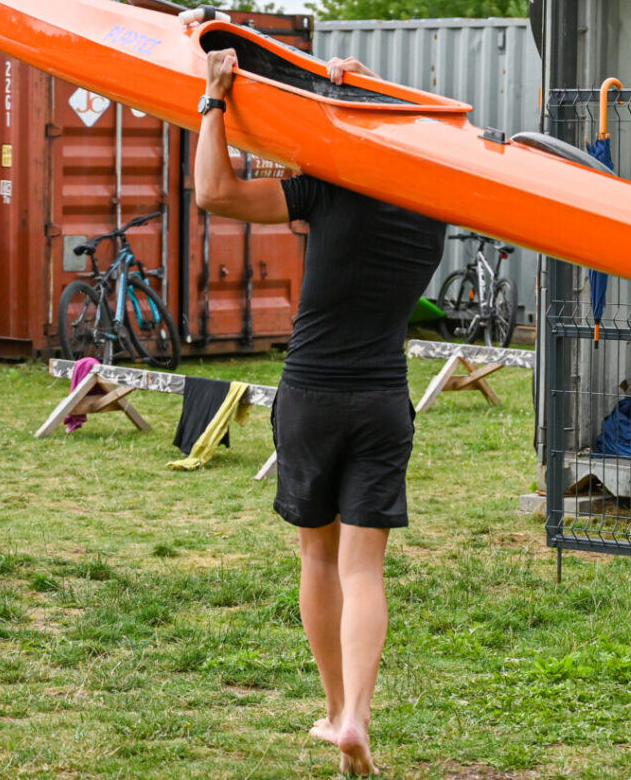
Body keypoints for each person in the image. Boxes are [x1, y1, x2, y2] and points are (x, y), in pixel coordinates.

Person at [193, 47, 446, 775]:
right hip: (382, 399)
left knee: (318, 555)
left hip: (311, 395)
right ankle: (358, 717)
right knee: (365, 570)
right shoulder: (435, 211)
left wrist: (215, 99)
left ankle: (335, 711)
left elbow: (215, 191)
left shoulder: (328, 191)